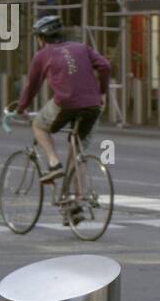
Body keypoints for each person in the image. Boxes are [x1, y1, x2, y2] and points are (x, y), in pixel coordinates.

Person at [15, 15, 112, 212]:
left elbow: (32, 86)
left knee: (39, 125)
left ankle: (53, 163)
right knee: (77, 151)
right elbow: (105, 66)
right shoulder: (81, 47)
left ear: (41, 38)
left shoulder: (43, 55)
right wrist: (102, 91)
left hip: (66, 103)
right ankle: (77, 202)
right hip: (93, 104)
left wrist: (21, 108)